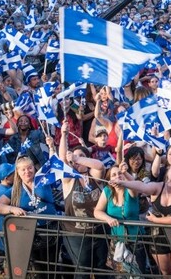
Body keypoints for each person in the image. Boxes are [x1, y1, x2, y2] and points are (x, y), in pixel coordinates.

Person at [115, 161, 171, 276]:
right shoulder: (158, 186)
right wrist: (123, 182)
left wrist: (156, 220)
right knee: (167, 273)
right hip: (158, 236)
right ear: (167, 172)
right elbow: (142, 186)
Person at [0, 155, 59, 279]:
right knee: (37, 270)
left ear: (34, 168)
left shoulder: (43, 181)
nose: (27, 171)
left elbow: (53, 163)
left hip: (50, 230)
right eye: (23, 169)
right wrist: (12, 209)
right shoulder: (15, 190)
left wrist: (51, 148)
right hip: (29, 233)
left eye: (29, 168)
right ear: (17, 172)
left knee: (52, 267)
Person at [58, 119, 108, 278]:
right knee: (83, 270)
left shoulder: (95, 177)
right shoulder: (69, 179)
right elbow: (62, 160)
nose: (76, 159)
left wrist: (77, 158)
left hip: (99, 231)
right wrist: (64, 134)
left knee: (101, 269)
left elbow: (100, 166)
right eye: (75, 156)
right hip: (76, 234)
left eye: (82, 156)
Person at [93, 164, 148, 275]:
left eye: (120, 174)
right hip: (117, 241)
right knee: (120, 274)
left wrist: (125, 174)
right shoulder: (107, 191)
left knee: (137, 274)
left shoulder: (130, 190)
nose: (117, 176)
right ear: (109, 180)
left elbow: (136, 184)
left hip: (135, 241)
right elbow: (97, 211)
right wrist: (108, 218)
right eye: (114, 175)